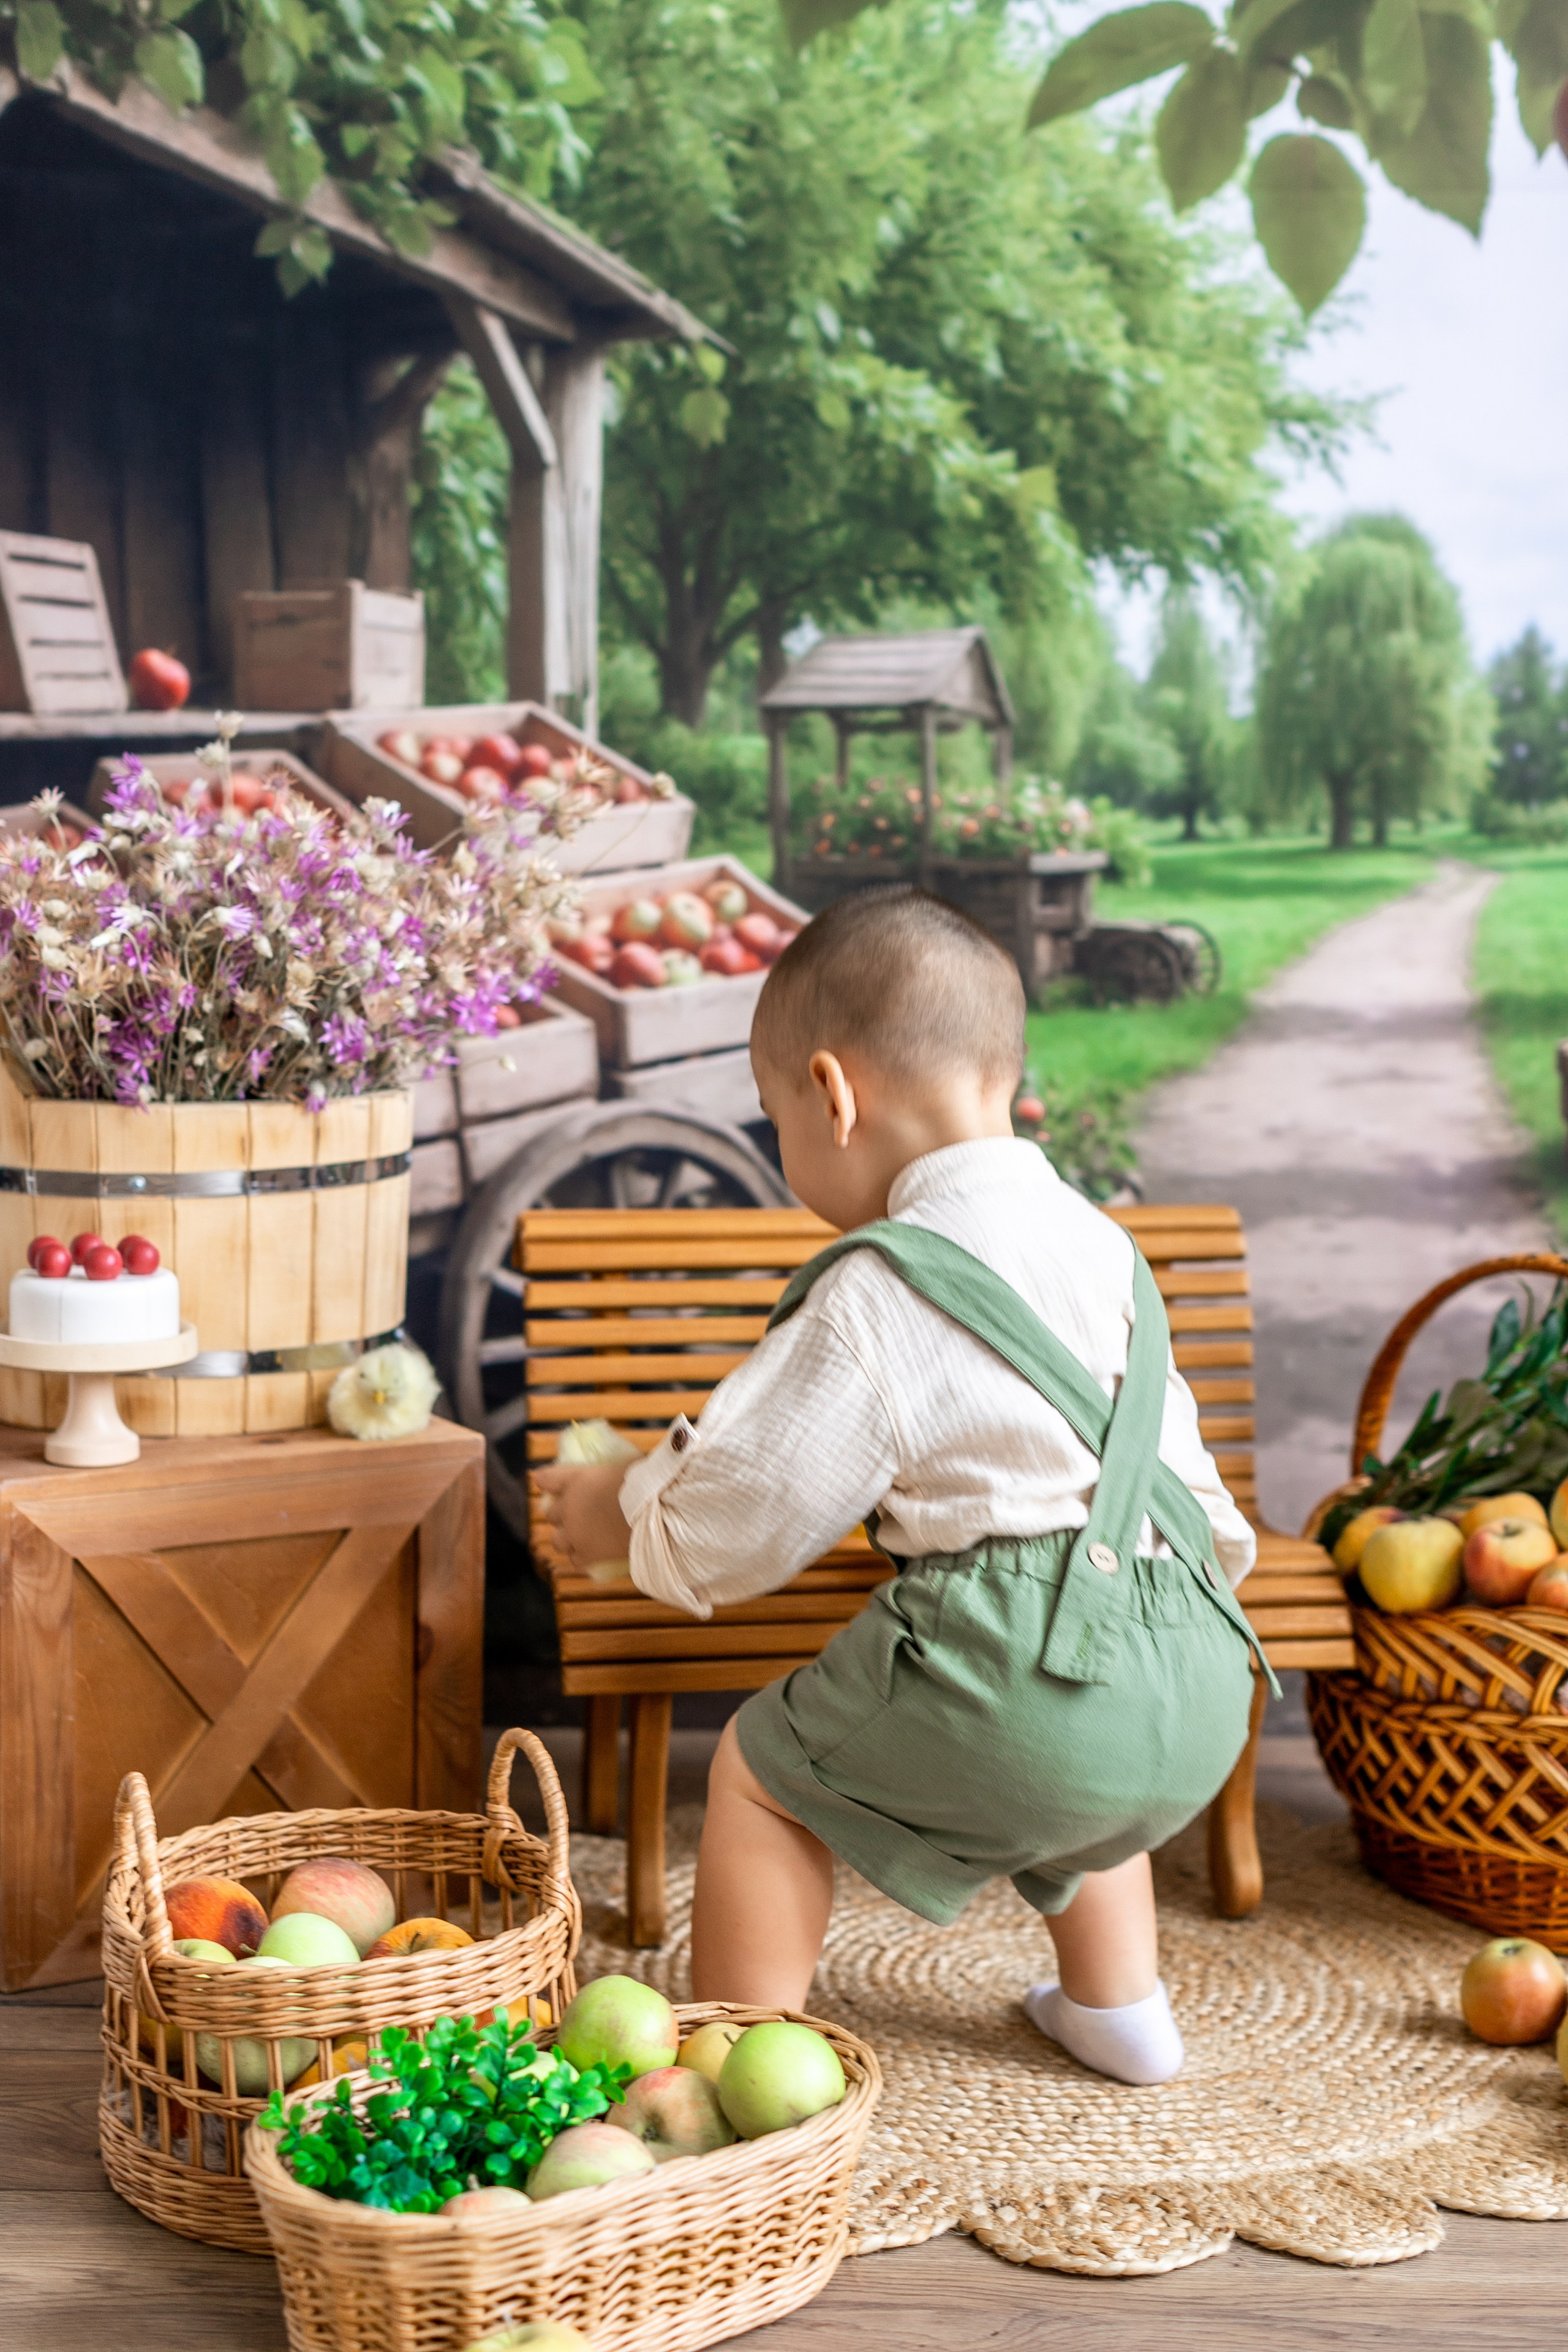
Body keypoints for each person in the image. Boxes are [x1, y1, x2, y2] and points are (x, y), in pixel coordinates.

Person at [537, 887, 1268, 2087]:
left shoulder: (879, 1289)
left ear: (831, 1095)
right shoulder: (1102, 1246)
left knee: (763, 1775)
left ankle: (736, 2062)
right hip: (1200, 1679)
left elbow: (739, 1517)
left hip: (1026, 1697)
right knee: (1080, 1738)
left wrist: (621, 1508)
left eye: (774, 1114)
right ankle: (1121, 2011)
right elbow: (1177, 1489)